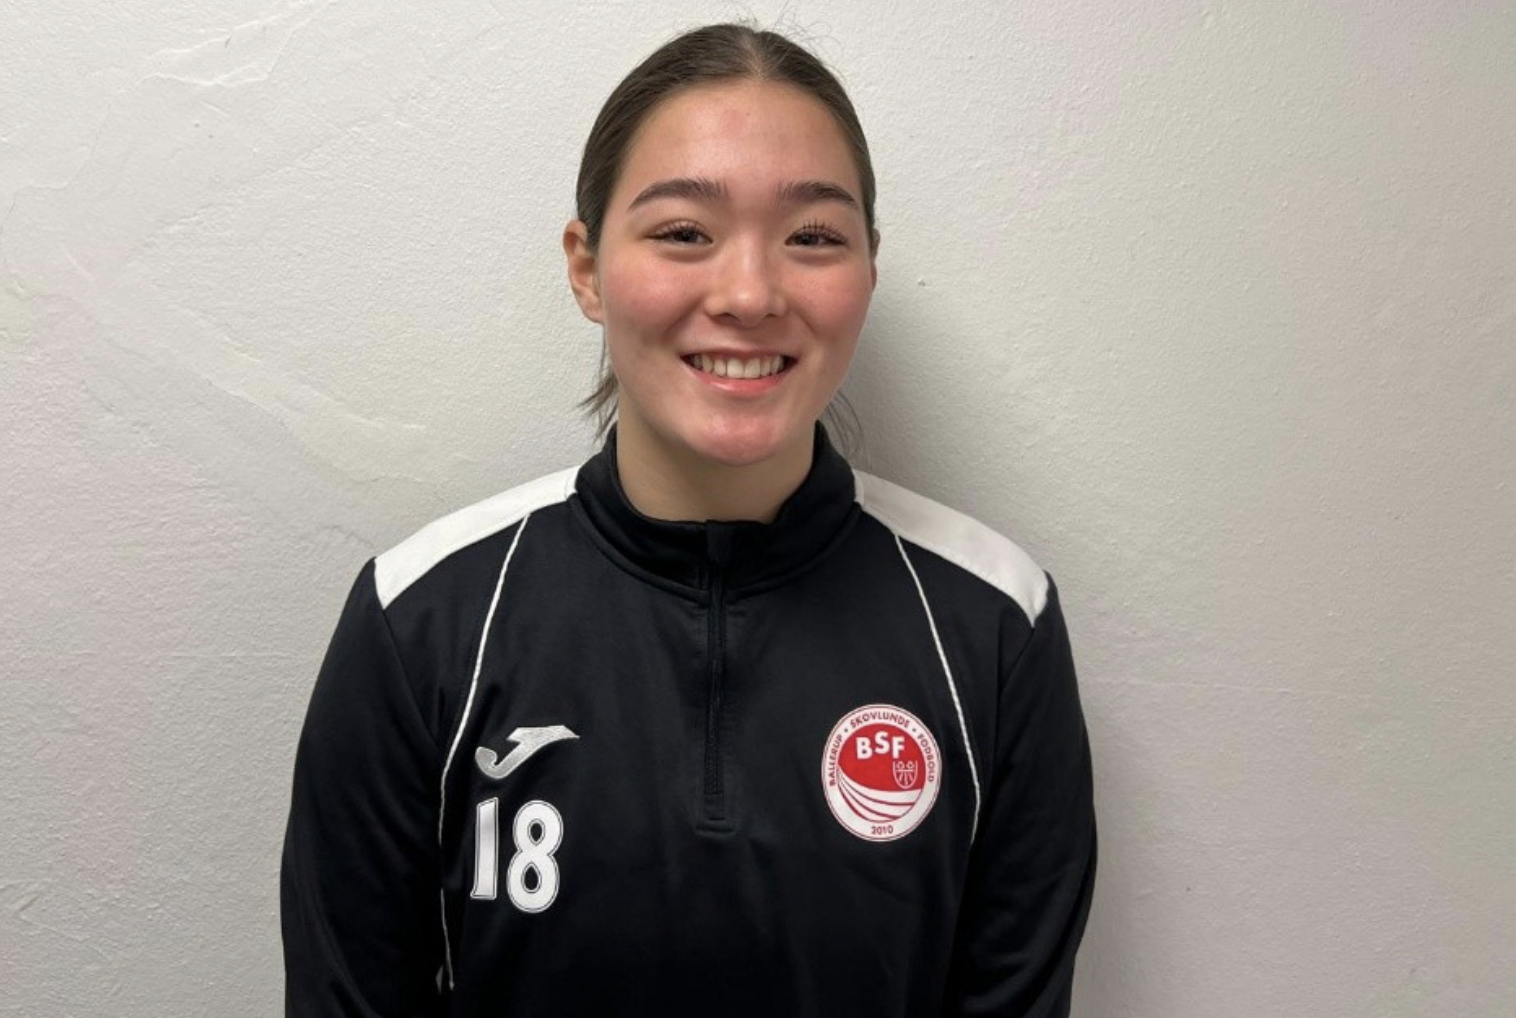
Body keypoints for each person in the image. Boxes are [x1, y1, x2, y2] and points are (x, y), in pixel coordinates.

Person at [280, 22, 1096, 1018]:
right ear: (586, 267)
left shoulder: (995, 624)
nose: (749, 294)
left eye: (812, 236)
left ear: (869, 269)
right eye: (683, 233)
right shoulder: (422, 619)